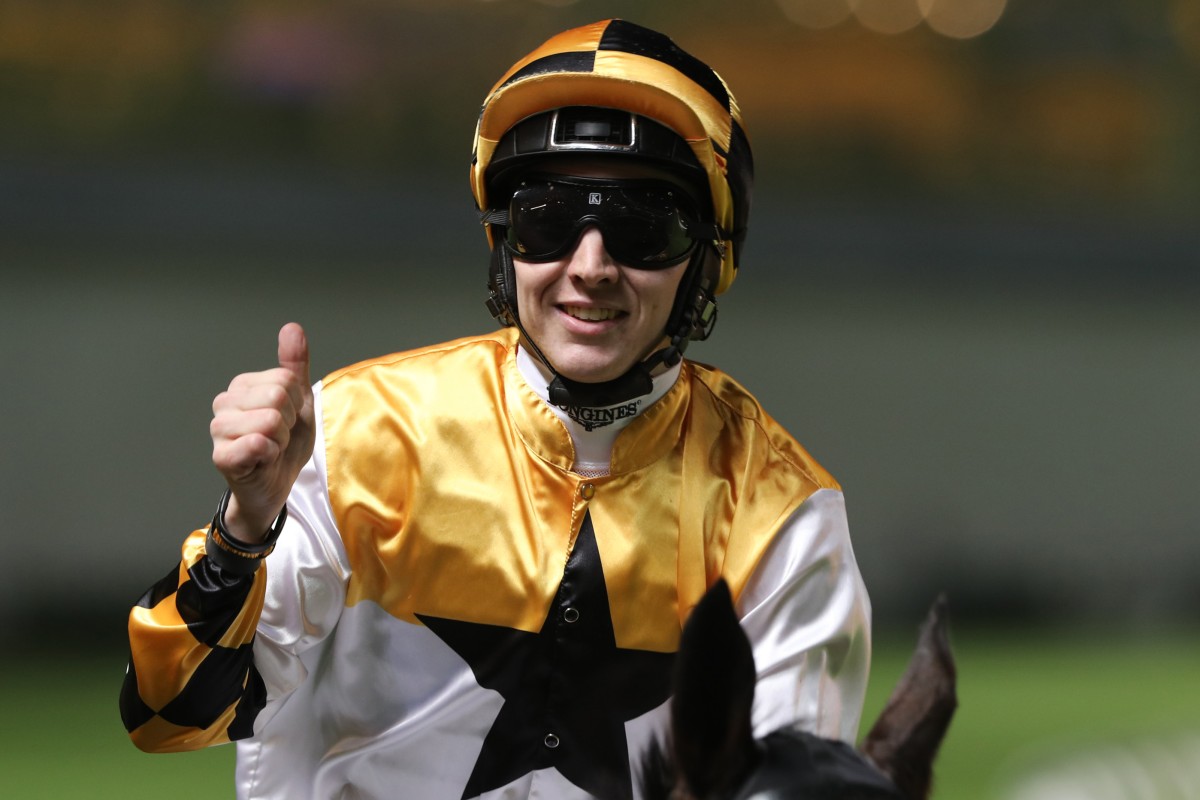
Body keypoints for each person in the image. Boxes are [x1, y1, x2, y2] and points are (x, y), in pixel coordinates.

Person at [120, 18, 872, 800]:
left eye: (642, 225)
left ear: (708, 260)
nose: (589, 266)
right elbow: (169, 717)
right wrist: (244, 532)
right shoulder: (354, 435)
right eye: (547, 216)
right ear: (503, 239)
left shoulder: (782, 510)